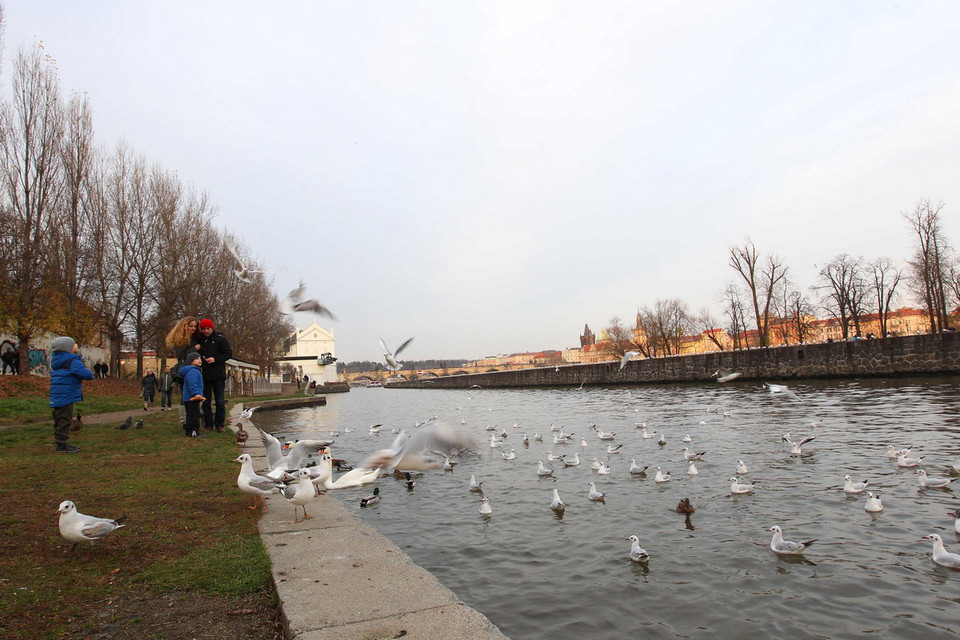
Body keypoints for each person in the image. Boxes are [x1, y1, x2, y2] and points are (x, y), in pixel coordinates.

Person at [49, 336, 94, 453]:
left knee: (60, 419)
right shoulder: (72, 361)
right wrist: (89, 371)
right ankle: (62, 445)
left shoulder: (57, 360)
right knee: (65, 419)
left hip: (58, 394)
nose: (77, 345)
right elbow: (86, 374)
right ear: (67, 348)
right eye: (74, 344)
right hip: (66, 394)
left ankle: (60, 442)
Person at [197, 318, 232, 432]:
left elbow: (228, 354)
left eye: (208, 329)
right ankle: (208, 424)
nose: (206, 331)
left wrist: (215, 359)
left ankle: (219, 424)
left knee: (220, 402)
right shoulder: (200, 341)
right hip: (205, 375)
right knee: (206, 402)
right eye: (204, 329)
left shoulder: (220, 339)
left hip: (218, 375)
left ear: (212, 328)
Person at [165, 316, 201, 425]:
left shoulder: (196, 338)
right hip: (185, 370)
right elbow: (181, 356)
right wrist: (195, 349)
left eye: (195, 326)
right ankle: (184, 421)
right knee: (185, 395)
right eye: (191, 326)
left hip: (195, 370)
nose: (193, 328)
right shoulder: (179, 340)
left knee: (195, 394)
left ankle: (192, 420)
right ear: (185, 327)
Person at [179, 351, 205, 437]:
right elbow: (192, 384)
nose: (200, 360)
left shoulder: (194, 371)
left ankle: (189, 431)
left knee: (191, 414)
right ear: (191, 361)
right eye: (197, 359)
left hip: (190, 397)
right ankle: (194, 431)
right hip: (192, 397)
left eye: (200, 358)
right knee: (194, 415)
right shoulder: (193, 371)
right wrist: (196, 393)